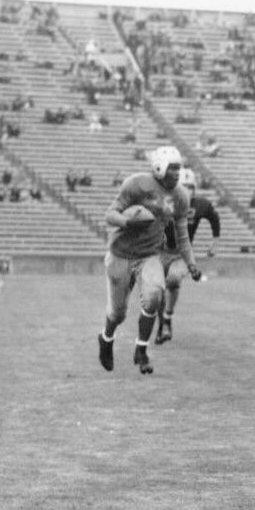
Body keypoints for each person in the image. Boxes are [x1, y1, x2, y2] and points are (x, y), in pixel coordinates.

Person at [97, 146, 202, 375]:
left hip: (149, 255)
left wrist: (191, 263)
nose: (177, 173)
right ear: (159, 168)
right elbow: (109, 214)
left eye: (178, 168)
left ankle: (141, 350)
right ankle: (106, 338)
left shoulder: (180, 196)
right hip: (121, 253)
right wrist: (127, 222)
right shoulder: (137, 184)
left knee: (155, 295)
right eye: (172, 168)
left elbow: (183, 235)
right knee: (118, 313)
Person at [155, 168, 220, 345]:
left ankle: (167, 317)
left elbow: (214, 217)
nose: (188, 191)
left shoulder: (201, 205)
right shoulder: (167, 202)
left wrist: (215, 241)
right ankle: (162, 324)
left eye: (191, 187)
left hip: (181, 253)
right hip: (159, 251)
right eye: (184, 187)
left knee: (174, 279)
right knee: (156, 292)